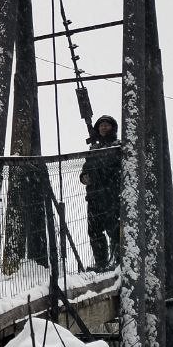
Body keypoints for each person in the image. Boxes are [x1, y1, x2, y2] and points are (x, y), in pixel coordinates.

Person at [79, 115, 121, 270]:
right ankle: (101, 263)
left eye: (106, 125)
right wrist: (84, 177)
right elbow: (85, 169)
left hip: (112, 197)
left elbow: (116, 171)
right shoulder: (94, 149)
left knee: (114, 231)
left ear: (112, 128)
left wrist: (98, 176)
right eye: (101, 125)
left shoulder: (118, 147)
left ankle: (117, 262)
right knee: (94, 232)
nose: (103, 127)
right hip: (94, 198)